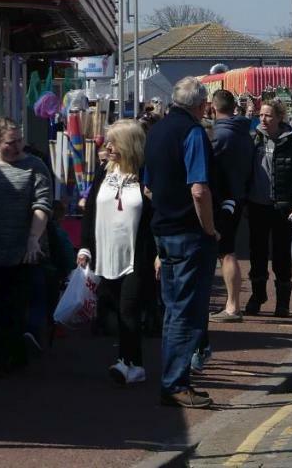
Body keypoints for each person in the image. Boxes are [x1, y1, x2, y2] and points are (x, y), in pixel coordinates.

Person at [143, 77, 218, 408]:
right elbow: (199, 189)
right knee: (186, 312)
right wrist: (211, 229)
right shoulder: (194, 133)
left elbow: (147, 187)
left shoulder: (156, 131)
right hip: (189, 233)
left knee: (173, 310)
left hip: (163, 230)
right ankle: (175, 382)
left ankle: (172, 378)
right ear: (201, 105)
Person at [78, 119, 155, 385]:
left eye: (114, 142)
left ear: (129, 145)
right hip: (105, 253)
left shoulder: (146, 174)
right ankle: (132, 364)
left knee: (129, 309)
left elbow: (155, 217)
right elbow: (90, 211)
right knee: (116, 310)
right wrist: (85, 246)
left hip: (135, 256)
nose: (108, 147)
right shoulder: (104, 171)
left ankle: (130, 363)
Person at [0, 118, 52, 377]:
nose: (18, 145)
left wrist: (33, 238)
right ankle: (16, 353)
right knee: (0, 303)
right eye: (11, 142)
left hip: (21, 250)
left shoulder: (35, 166)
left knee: (11, 304)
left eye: (20, 139)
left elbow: (42, 204)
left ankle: (3, 357)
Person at [245, 99, 292, 318]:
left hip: (283, 207)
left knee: (281, 256)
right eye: (261, 115)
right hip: (257, 205)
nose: (263, 119)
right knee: (257, 253)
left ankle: (282, 302)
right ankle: (258, 295)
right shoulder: (254, 138)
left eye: (268, 115)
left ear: (279, 118)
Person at [207, 90, 254, 323]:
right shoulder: (244, 131)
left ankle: (233, 307)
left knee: (226, 252)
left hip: (224, 199)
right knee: (226, 250)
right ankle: (232, 303)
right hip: (239, 196)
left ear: (213, 107)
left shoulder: (219, 134)